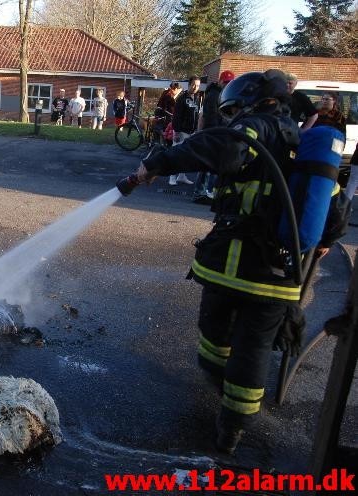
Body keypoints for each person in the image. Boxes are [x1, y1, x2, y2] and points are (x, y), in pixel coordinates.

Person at [131, 69, 349, 454]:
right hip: (281, 273)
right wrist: (323, 241)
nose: (232, 117)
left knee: (217, 337)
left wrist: (156, 165)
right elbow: (333, 202)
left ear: (252, 99)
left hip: (233, 263)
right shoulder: (304, 139)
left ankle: (224, 397)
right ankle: (233, 427)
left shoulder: (257, 128)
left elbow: (218, 147)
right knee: (254, 349)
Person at [192, 70, 235, 204]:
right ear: (220, 81)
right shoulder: (214, 95)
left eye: (229, 82)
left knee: (209, 165)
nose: (227, 84)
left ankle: (204, 191)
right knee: (207, 165)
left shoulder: (219, 94)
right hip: (213, 133)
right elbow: (210, 116)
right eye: (225, 82)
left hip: (215, 132)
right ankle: (201, 192)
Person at [169, 75, 200, 186]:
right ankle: (172, 177)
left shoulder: (197, 98)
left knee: (187, 156)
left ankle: (181, 176)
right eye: (193, 85)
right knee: (176, 155)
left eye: (197, 86)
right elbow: (176, 116)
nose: (195, 87)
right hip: (181, 132)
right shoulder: (182, 98)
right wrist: (176, 131)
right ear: (189, 85)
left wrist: (196, 129)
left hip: (191, 132)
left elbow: (196, 115)